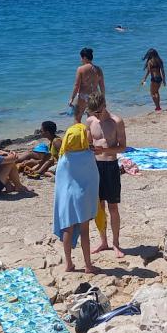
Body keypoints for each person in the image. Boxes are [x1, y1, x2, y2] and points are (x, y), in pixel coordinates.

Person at [52, 123, 99, 274]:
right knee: (85, 231)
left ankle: (68, 264)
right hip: (83, 198)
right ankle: (88, 265)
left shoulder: (63, 157)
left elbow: (59, 180)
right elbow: (94, 178)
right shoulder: (89, 155)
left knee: (67, 229)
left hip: (67, 198)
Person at [85, 95, 127, 257]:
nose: (96, 115)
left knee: (113, 207)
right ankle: (103, 241)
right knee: (99, 207)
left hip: (110, 165)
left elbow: (122, 147)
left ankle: (116, 243)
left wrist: (104, 150)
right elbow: (88, 143)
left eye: (98, 111)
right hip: (95, 167)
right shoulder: (90, 121)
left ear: (105, 105)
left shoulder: (116, 121)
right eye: (93, 112)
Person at [68, 48, 106, 124]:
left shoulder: (80, 69)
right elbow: (102, 86)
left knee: (77, 117)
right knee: (92, 118)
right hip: (94, 97)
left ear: (85, 57)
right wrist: (103, 98)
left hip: (83, 96)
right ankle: (91, 135)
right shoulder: (98, 69)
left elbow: (76, 85)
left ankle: (79, 134)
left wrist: (72, 98)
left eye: (81, 58)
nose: (81, 60)